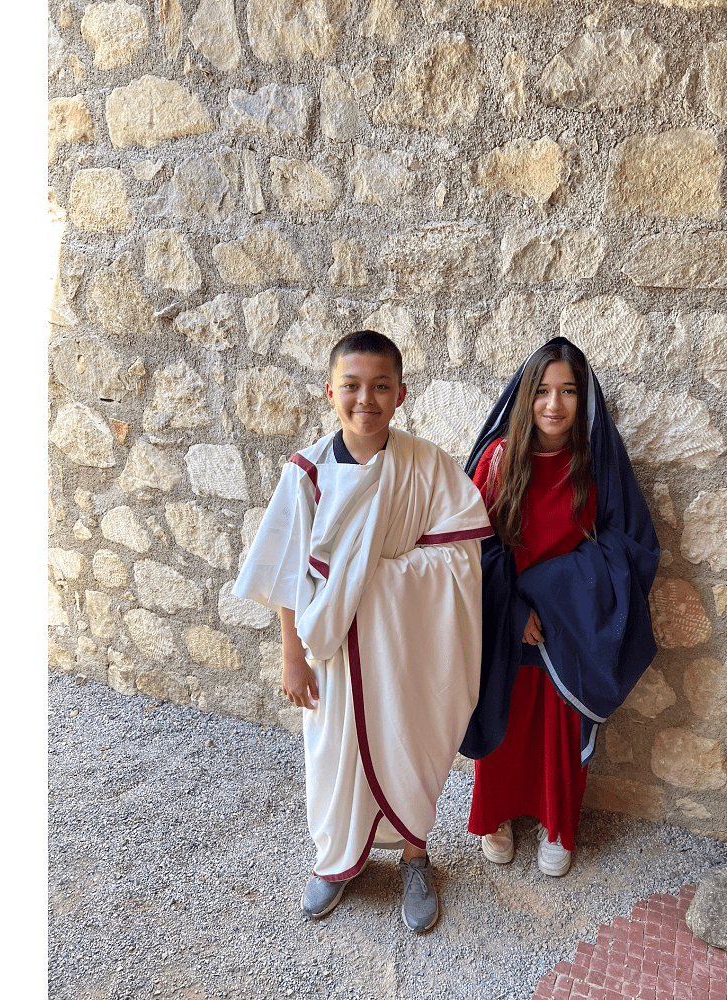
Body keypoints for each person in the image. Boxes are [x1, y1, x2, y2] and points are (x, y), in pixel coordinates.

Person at [233, 330, 492, 932]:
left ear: (401, 394)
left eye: (380, 386)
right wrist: (291, 656)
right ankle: (335, 862)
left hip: (405, 649)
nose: (365, 399)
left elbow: (462, 560)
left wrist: (371, 576)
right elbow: (287, 574)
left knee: (409, 741)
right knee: (332, 756)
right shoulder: (306, 473)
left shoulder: (427, 466)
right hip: (331, 653)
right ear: (331, 392)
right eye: (351, 386)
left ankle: (415, 858)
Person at [459, 338, 660, 877]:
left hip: (568, 628)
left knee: (558, 730)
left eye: (568, 391)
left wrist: (552, 596)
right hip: (504, 622)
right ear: (525, 396)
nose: (554, 404)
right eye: (543, 391)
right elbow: (468, 543)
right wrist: (513, 608)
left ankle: (556, 824)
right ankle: (496, 816)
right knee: (502, 720)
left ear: (584, 398)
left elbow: (629, 545)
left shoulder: (596, 465)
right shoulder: (499, 461)